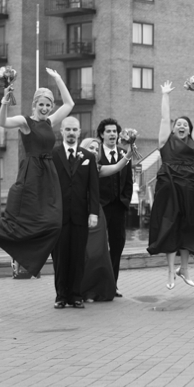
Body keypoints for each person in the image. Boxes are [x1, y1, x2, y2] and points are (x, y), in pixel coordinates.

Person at [0, 69, 75, 281]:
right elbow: (3, 123)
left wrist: (58, 79)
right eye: (42, 104)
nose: (46, 108)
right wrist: (4, 101)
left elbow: (69, 105)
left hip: (49, 175)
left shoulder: (49, 122)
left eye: (48, 105)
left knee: (53, 223)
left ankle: (22, 257)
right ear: (34, 105)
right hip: (32, 174)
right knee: (25, 221)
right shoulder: (26, 122)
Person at [147, 80, 194, 289]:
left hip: (191, 188)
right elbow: (164, 117)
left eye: (185, 125)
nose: (182, 126)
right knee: (170, 226)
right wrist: (165, 95)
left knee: (188, 227)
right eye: (178, 124)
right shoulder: (165, 141)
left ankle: (185, 269)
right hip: (169, 187)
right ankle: (171, 272)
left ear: (189, 131)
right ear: (173, 129)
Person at [50, 117, 100, 309]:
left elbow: (93, 188)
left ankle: (76, 295)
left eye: (75, 129)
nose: (71, 133)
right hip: (59, 215)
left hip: (80, 214)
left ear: (80, 132)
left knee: (78, 255)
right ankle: (61, 296)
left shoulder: (88, 156)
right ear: (61, 132)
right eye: (68, 129)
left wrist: (93, 213)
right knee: (61, 256)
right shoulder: (53, 154)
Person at [96, 118, 134, 297]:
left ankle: (113, 285)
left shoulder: (124, 154)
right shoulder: (95, 155)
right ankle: (97, 284)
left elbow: (128, 181)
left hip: (119, 207)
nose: (112, 134)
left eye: (114, 131)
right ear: (102, 134)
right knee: (98, 246)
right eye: (108, 131)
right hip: (101, 208)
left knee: (117, 246)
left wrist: (125, 201)